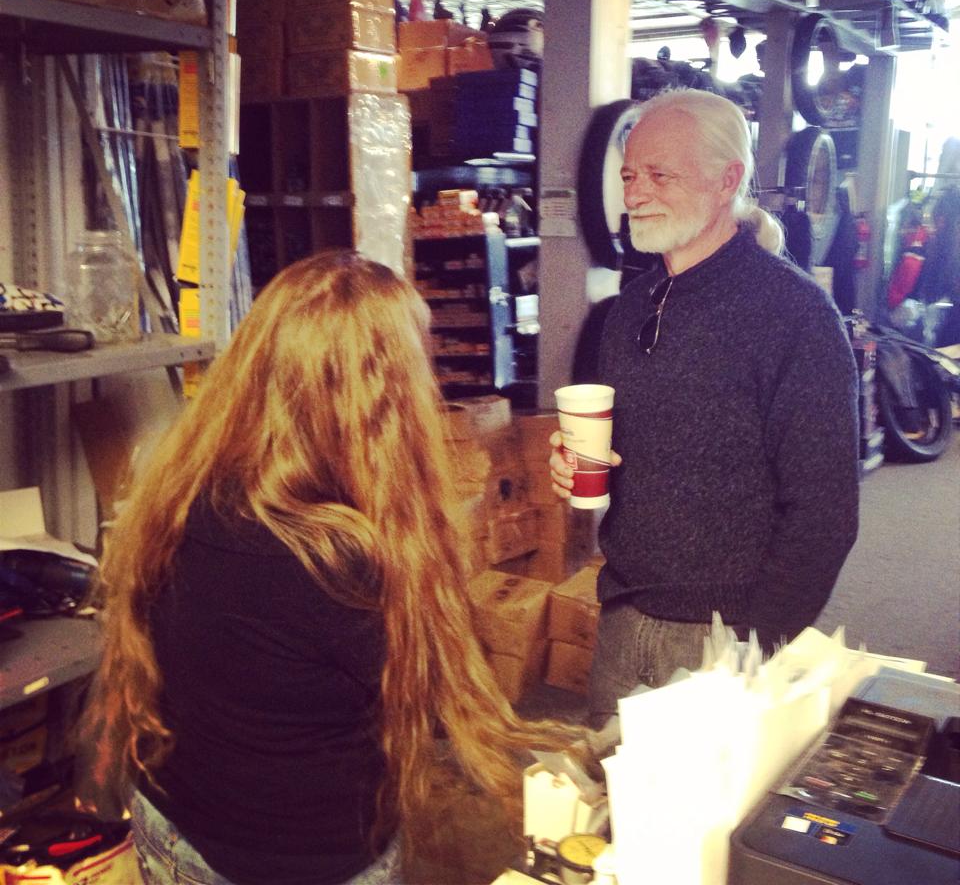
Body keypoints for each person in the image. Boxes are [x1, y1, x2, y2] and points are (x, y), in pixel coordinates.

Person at [81, 253, 578, 885]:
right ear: (382, 397)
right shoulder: (340, 562)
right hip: (301, 863)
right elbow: (434, 703)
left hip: (171, 827)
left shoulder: (186, 491)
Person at [550, 89, 860, 728]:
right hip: (622, 617)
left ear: (727, 181)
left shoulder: (795, 316)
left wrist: (755, 651)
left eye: (660, 175)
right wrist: (576, 463)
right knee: (605, 788)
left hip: (723, 639)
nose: (636, 193)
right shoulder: (630, 309)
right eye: (629, 176)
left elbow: (824, 513)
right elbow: (636, 456)